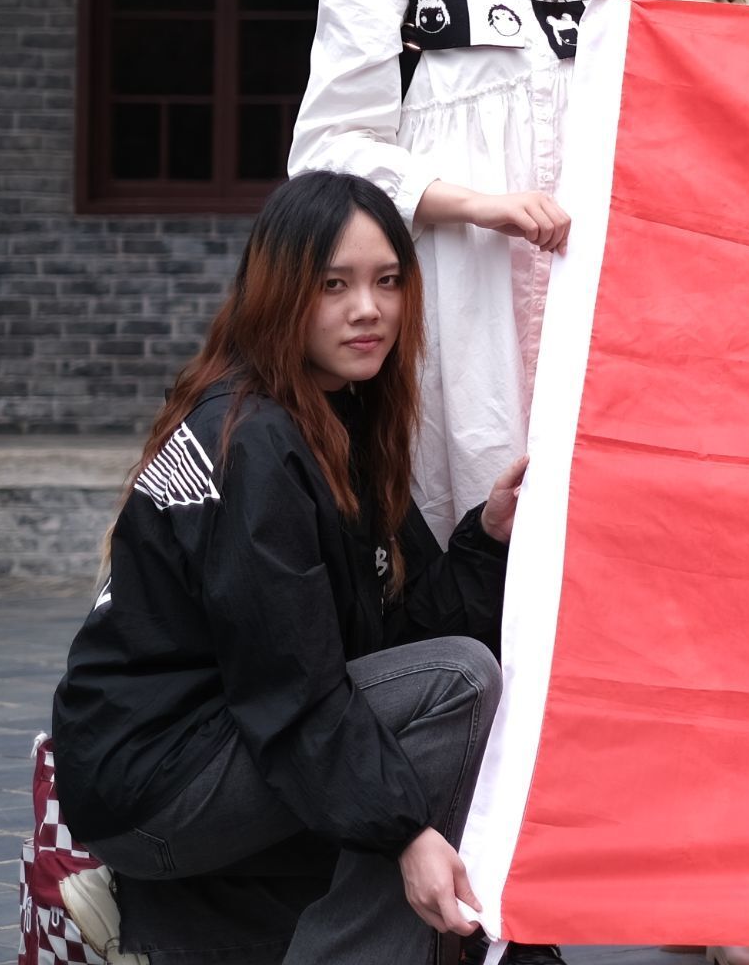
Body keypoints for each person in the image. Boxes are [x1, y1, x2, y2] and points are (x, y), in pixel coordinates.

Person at [50, 170, 523, 965]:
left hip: (204, 747)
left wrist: (487, 538)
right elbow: (295, 689)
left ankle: (180, 919)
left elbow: (398, 629)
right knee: (457, 684)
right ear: (280, 292)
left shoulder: (334, 415)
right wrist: (406, 834)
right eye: (333, 284)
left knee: (424, 712)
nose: (368, 308)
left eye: (387, 281)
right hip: (157, 782)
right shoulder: (256, 441)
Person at [291, 0, 624, 543]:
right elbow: (327, 152)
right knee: (454, 521)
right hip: (451, 300)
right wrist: (479, 204)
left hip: (583, 315)